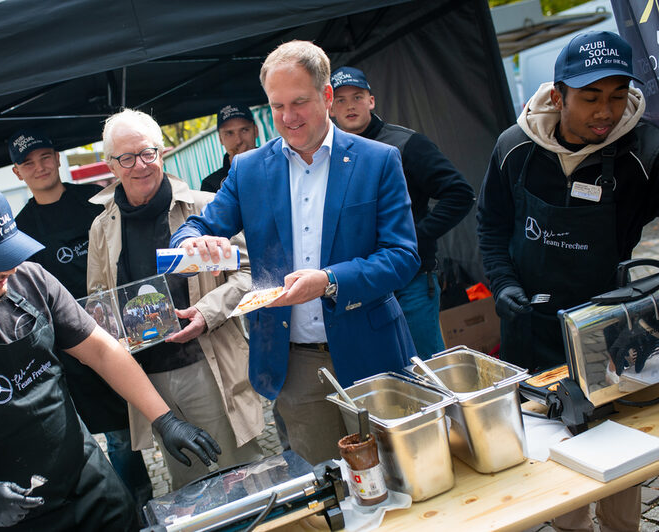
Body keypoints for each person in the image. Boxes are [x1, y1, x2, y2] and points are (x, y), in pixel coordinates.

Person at [0, 183, 220, 531]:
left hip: (86, 488)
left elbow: (100, 349)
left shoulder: (30, 280)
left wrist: (165, 419)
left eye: (11, 253)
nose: (10, 269)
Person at [171, 40, 420, 465]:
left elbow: (402, 256)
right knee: (328, 484)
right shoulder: (248, 169)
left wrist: (329, 281)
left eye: (299, 102)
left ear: (326, 97)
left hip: (372, 349)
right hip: (295, 363)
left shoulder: (378, 160)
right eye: (276, 106)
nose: (288, 118)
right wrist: (191, 242)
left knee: (400, 469)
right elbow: (198, 228)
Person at [477, 30, 659, 532]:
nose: (606, 112)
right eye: (591, 97)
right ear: (558, 96)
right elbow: (491, 228)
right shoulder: (514, 149)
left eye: (618, 96)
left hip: (615, 337)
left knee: (623, 470)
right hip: (533, 332)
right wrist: (503, 286)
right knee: (559, 473)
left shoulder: (644, 151)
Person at [87, 108, 265, 490]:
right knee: (191, 487)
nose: (140, 166)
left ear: (162, 152)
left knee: (241, 478)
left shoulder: (203, 207)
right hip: (149, 381)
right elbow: (98, 301)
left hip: (208, 364)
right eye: (127, 158)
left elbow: (254, 274)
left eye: (147, 153)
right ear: (111, 166)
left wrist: (207, 311)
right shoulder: (102, 228)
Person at [8, 129, 152, 512]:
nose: (39, 167)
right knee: (108, 438)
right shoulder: (20, 230)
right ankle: (130, 509)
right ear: (17, 173)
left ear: (57, 159)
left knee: (136, 427)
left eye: (44, 157)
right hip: (69, 350)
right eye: (28, 163)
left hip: (121, 336)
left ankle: (153, 502)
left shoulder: (97, 203)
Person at [329, 66, 475, 357]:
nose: (350, 106)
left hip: (412, 280)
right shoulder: (328, 155)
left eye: (357, 97)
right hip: (363, 284)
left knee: (426, 368)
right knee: (383, 373)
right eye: (341, 100)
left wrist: (414, 237)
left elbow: (460, 194)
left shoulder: (406, 143)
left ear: (371, 100)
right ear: (330, 108)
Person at [200, 104, 259, 193]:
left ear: (256, 131)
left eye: (244, 130)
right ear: (220, 139)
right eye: (229, 133)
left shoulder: (278, 165)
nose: (238, 140)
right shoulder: (211, 185)